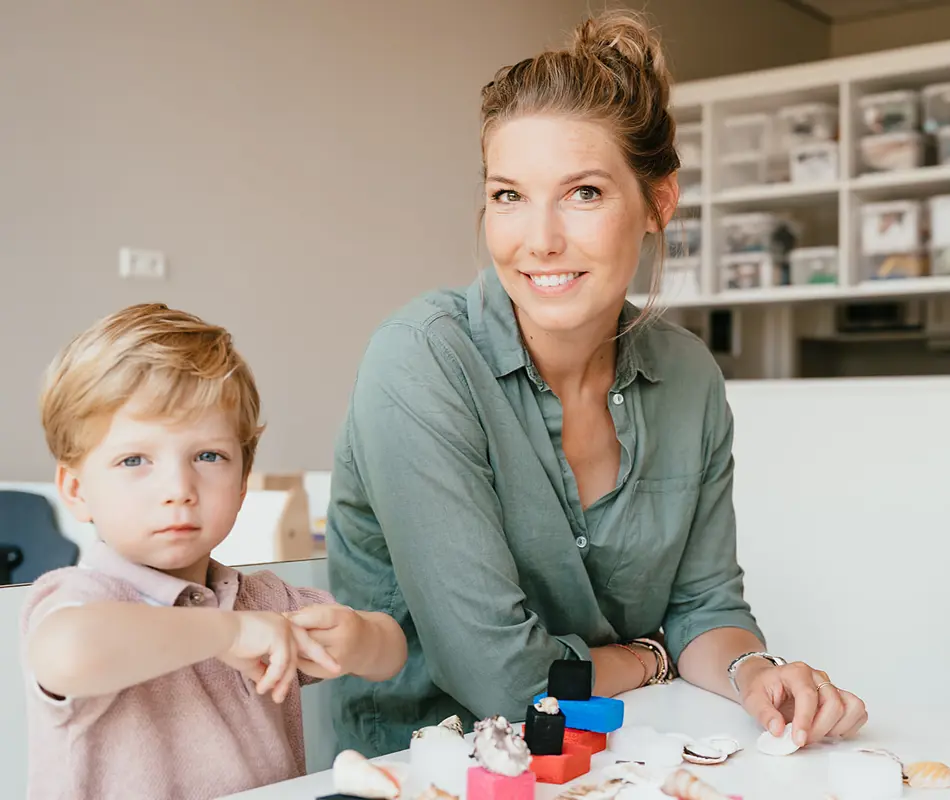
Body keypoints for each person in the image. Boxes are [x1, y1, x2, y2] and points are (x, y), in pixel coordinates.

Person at [325, 9, 867, 757]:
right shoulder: (421, 363)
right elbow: (504, 680)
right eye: (508, 195)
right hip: (419, 768)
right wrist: (649, 657)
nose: (539, 238)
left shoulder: (688, 377)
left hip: (621, 756)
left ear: (657, 203)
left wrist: (752, 671)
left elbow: (704, 606)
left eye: (583, 192)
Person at [20, 303, 407, 800]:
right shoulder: (81, 598)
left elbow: (391, 652)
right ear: (75, 490)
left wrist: (358, 637)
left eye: (208, 456)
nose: (178, 487)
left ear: (243, 482)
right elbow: (67, 652)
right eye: (134, 459)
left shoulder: (261, 602)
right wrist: (226, 632)